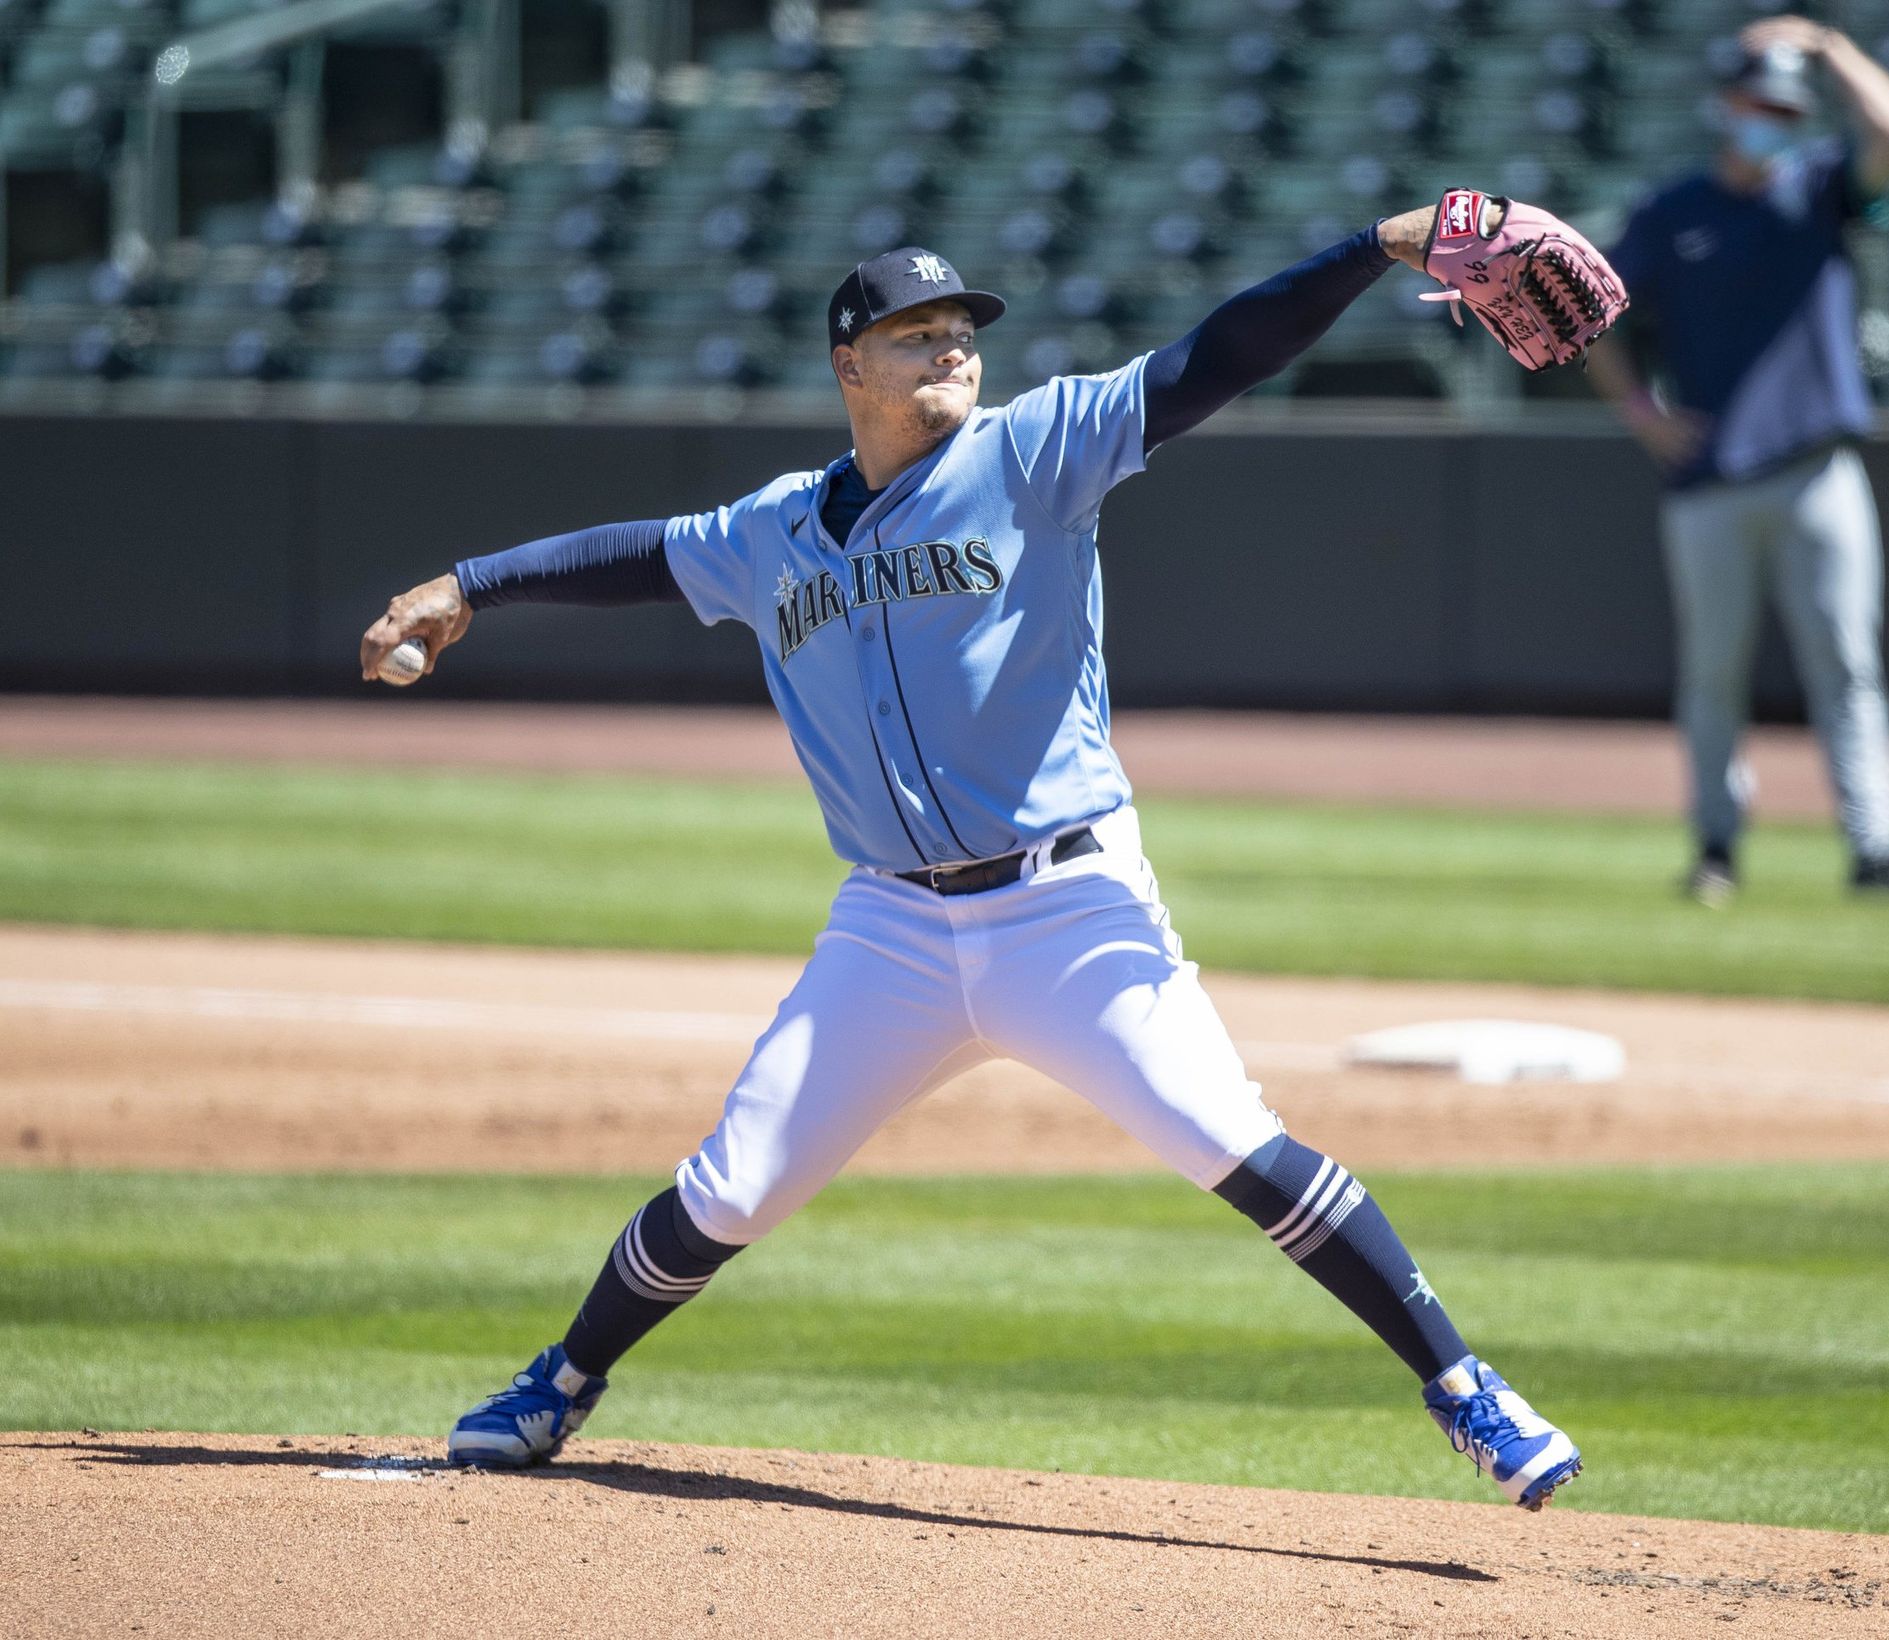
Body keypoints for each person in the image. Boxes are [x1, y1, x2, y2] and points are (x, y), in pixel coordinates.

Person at [362, 212, 1588, 1509]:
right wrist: (469, 586)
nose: (953, 348)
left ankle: (1468, 1391)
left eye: (961, 331)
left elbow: (1217, 357)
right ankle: (561, 1383)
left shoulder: (1036, 453)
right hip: (891, 929)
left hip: (1066, 903)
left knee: (1228, 1137)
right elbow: (636, 556)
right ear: (852, 367)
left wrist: (1372, 248)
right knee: (734, 1183)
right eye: (919, 334)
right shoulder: (772, 531)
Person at [1585, 17, 1889, 905]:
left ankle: (1877, 853)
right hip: (1709, 482)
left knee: (1848, 667)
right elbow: (1595, 309)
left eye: (1786, 106)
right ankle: (1716, 850)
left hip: (1818, 470)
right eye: (1758, 101)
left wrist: (1827, 47)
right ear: (1724, 105)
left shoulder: (1822, 185)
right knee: (1713, 675)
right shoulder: (1674, 211)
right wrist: (1640, 411)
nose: (1772, 118)